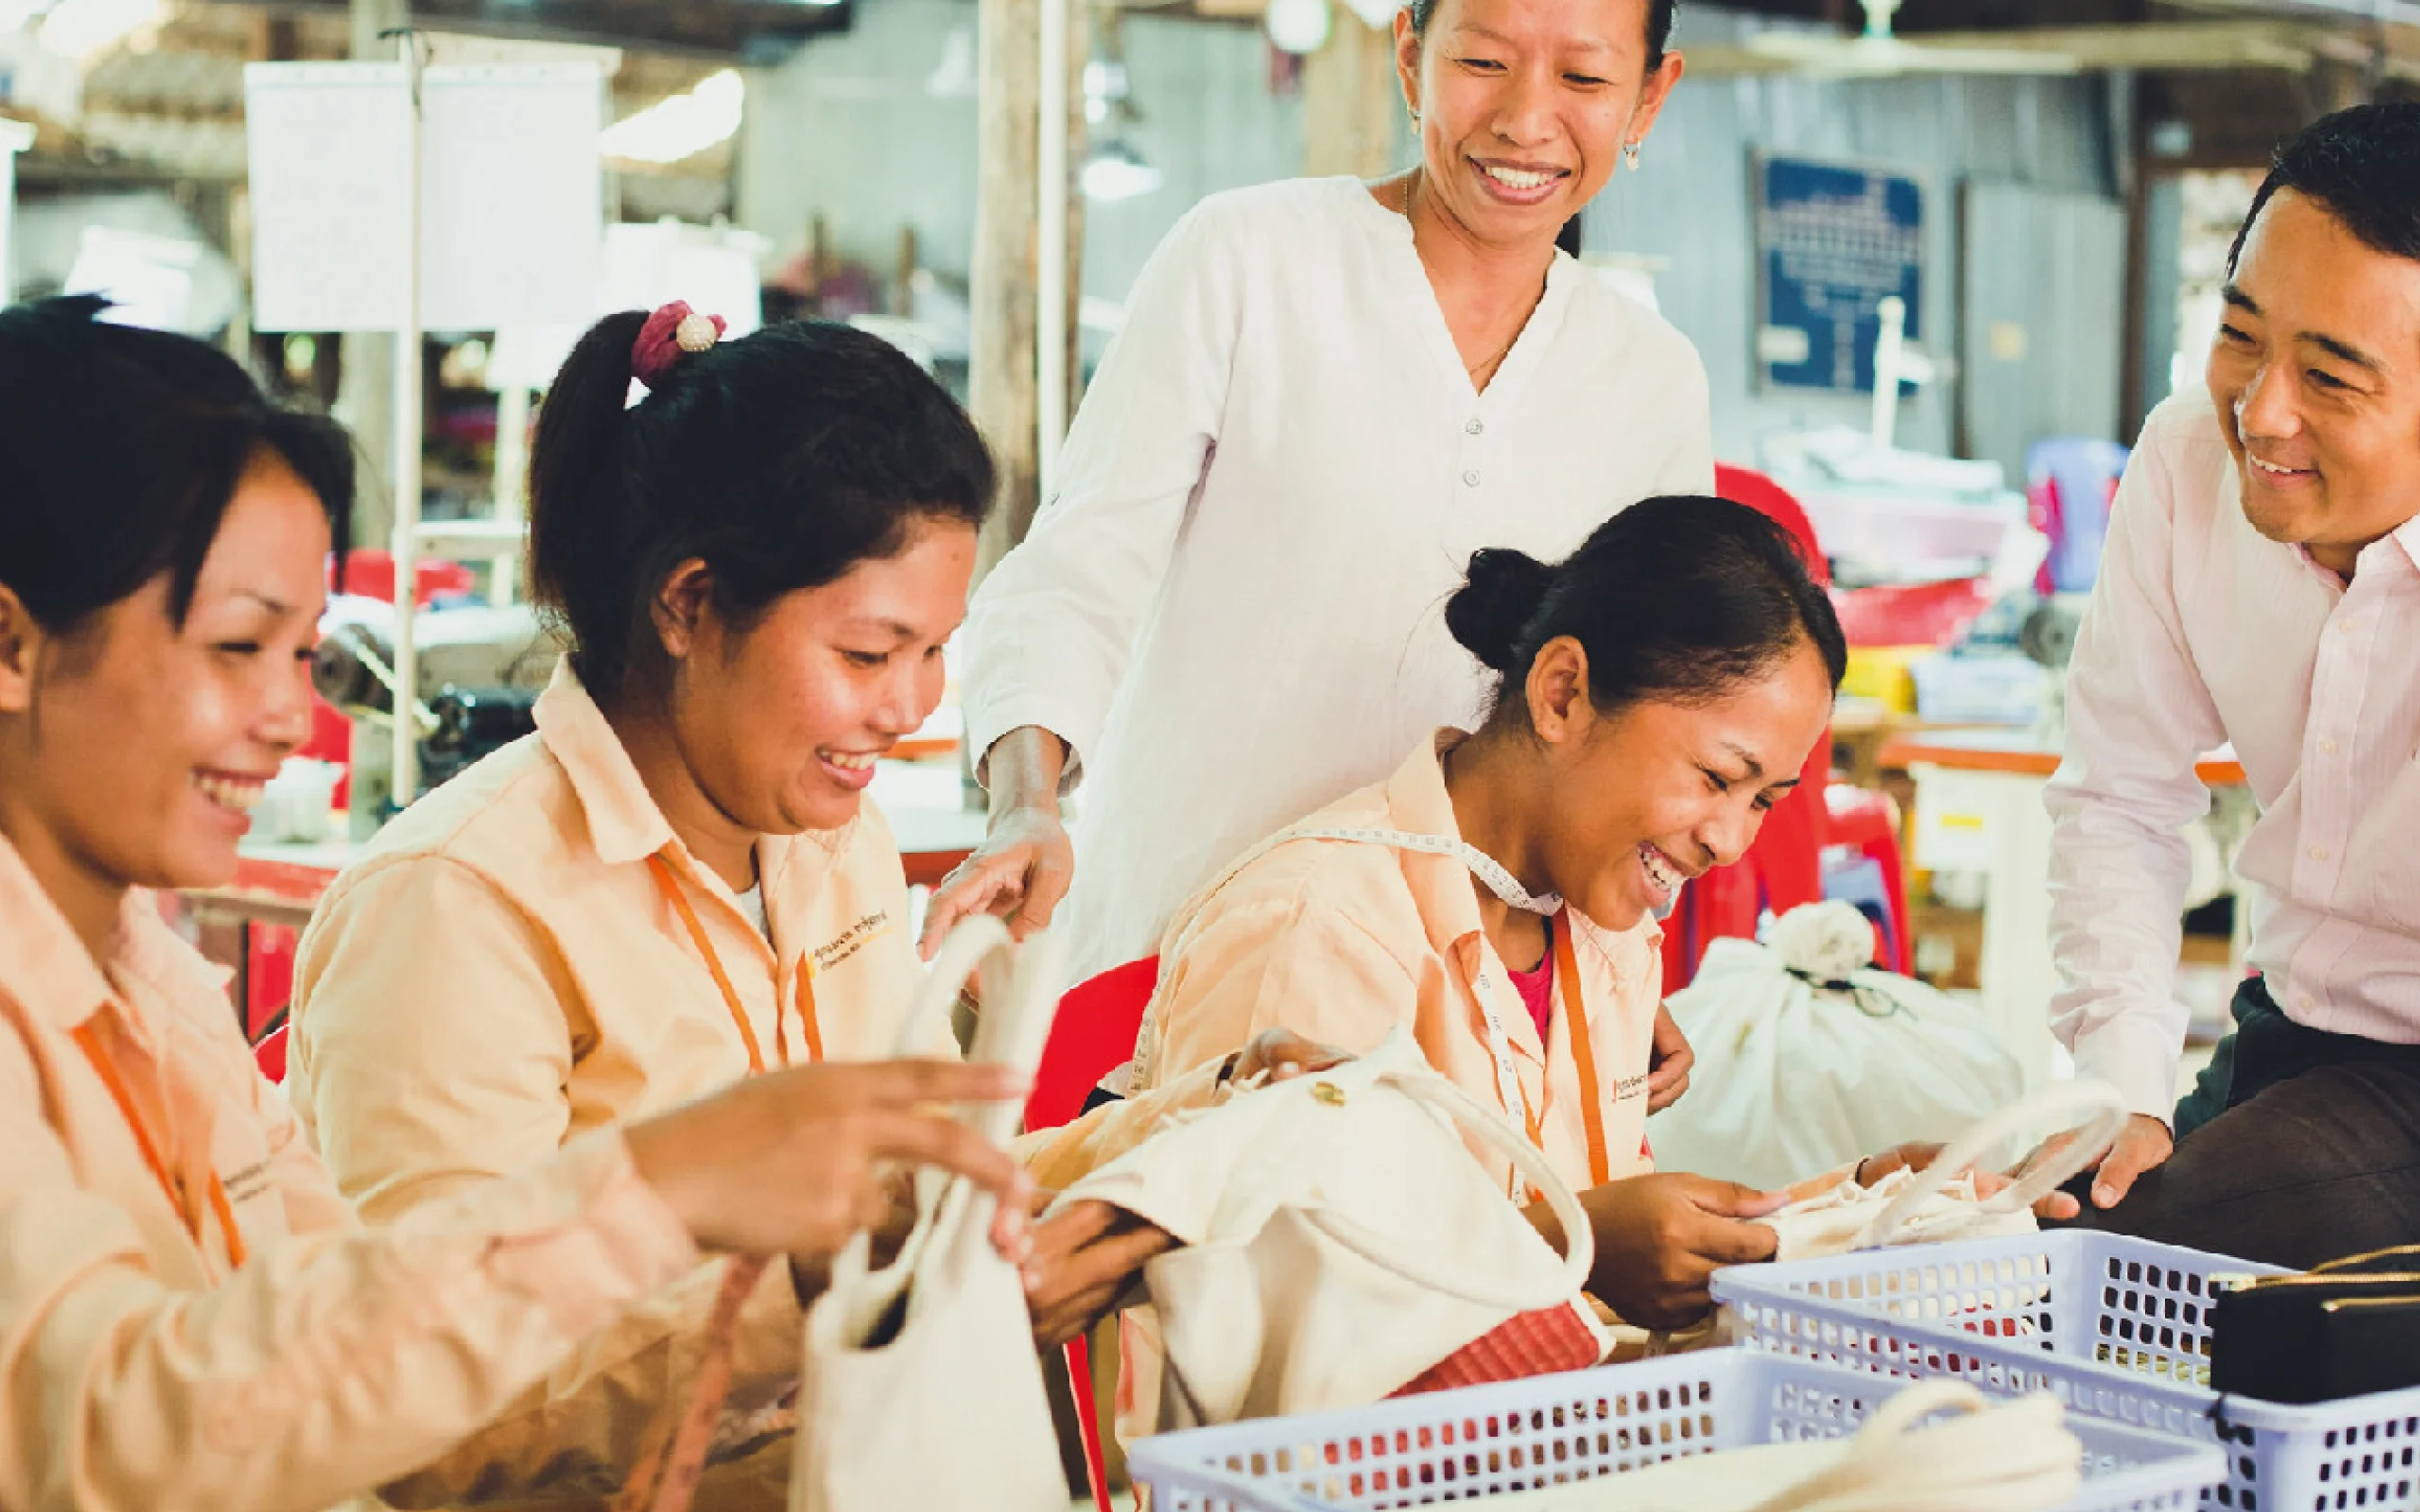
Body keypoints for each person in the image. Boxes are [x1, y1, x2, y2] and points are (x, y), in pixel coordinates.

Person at [0, 295, 1039, 1512]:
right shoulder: (453, 898)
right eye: (239, 649)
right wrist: (675, 1200)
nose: (290, 720)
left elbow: (351, 1339)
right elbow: (124, 1421)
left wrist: (1098, 1178)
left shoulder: (157, 994)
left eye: (301, 655)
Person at [284, 306, 1305, 1507]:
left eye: (936, 654)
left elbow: (927, 1184)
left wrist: (1193, 1119)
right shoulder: (457, 909)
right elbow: (438, 1418)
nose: (910, 709)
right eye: (869, 656)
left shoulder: (831, 843)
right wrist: (837, 1307)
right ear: (689, 604)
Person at [923, 0, 1710, 1077]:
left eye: (1583, 79)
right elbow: (1076, 572)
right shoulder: (1249, 261)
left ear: (1650, 98)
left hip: (1457, 1018)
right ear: (1410, 58)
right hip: (1168, 965)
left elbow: (1645, 727)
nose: (1528, 121)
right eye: (1484, 61)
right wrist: (1023, 807)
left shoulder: (1652, 383)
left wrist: (1617, 970)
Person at [1123, 497, 2002, 1433]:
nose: (1730, 841)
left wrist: (1860, 1206)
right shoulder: (1317, 928)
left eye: (1764, 802)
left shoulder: (1603, 932)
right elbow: (1261, 1346)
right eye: (1717, 779)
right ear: (1563, 695)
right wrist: (1564, 1250)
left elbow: (1620, 1250)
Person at [2046, 103, 2420, 1267]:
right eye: (2241, 336)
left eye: (2332, 377)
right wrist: (2122, 1086)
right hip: (2291, 1026)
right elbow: (2120, 795)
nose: (2262, 411)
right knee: (2060, 1230)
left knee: (2145, 1271)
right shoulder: (2184, 462)